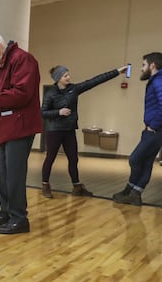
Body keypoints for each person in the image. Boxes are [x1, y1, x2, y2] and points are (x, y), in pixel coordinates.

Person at [0, 32, 42, 234]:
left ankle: (19, 218)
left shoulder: (22, 59)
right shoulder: (5, 63)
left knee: (14, 175)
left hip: (19, 127)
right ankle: (6, 213)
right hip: (7, 127)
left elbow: (22, 94)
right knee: (3, 175)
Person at [41, 64, 128, 198]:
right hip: (54, 130)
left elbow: (94, 81)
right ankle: (45, 185)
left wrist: (117, 72)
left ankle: (77, 187)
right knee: (50, 158)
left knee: (73, 159)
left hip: (69, 130)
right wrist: (59, 112)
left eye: (68, 74)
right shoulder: (51, 93)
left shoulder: (73, 89)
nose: (68, 77)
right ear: (58, 78)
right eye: (65, 76)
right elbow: (43, 112)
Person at [113, 52, 162, 205]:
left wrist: (153, 126)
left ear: (152, 65)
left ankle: (134, 191)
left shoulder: (161, 80)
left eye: (143, 65)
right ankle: (132, 192)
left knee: (135, 159)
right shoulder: (159, 80)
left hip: (157, 129)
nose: (142, 69)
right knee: (146, 161)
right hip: (157, 129)